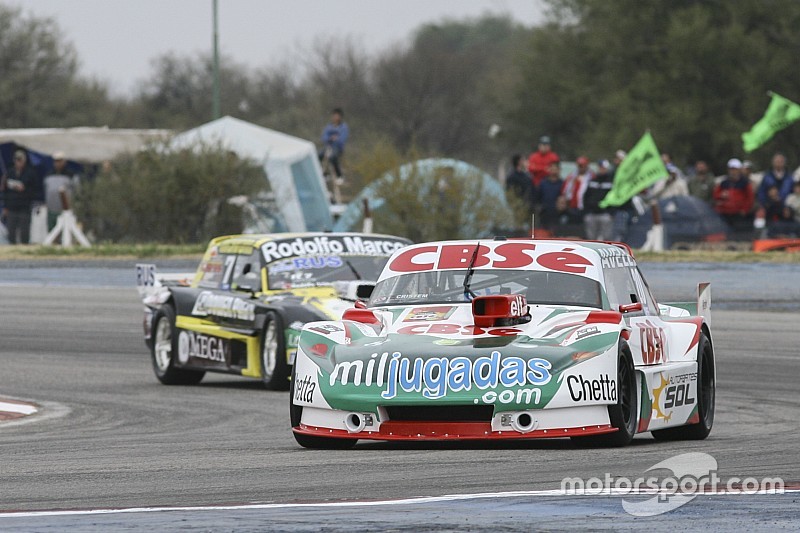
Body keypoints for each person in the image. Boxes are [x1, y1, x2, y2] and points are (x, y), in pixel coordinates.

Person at [1, 150, 38, 244]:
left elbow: (34, 189)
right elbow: (5, 191)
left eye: (20, 160)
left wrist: (24, 189)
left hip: (24, 207)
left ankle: (25, 248)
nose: (18, 162)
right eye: (17, 160)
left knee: (24, 232)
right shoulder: (9, 172)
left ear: (24, 160)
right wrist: (5, 207)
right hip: (11, 207)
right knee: (11, 232)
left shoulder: (30, 173)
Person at [713, 158, 754, 235]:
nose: (733, 171)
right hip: (725, 213)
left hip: (738, 214)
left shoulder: (745, 183)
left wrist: (744, 210)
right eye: (731, 169)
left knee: (738, 233)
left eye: (735, 169)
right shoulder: (724, 183)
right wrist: (721, 195)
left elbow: (750, 198)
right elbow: (715, 195)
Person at [582, 159, 615, 240]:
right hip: (592, 213)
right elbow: (586, 196)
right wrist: (587, 211)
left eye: (604, 168)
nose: (602, 169)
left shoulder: (611, 182)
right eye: (600, 167)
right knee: (590, 238)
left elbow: (614, 198)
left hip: (605, 214)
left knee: (606, 238)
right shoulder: (593, 181)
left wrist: (611, 212)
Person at [44, 151, 75, 231]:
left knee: (65, 232)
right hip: (51, 210)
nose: (57, 163)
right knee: (51, 230)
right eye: (56, 161)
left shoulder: (70, 175)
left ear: (64, 162)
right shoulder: (49, 174)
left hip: (64, 210)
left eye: (59, 161)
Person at [319, 108, 349, 179]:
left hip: (337, 148)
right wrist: (330, 138)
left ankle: (339, 175)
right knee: (319, 155)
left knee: (333, 157)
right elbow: (324, 137)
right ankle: (325, 174)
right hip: (328, 146)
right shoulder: (329, 127)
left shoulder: (343, 127)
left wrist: (336, 139)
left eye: (337, 116)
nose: (335, 117)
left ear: (340, 117)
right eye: (334, 116)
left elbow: (342, 139)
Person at [504, 154, 534, 220]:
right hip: (518, 208)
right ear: (519, 162)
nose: (526, 162)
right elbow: (510, 193)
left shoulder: (526, 176)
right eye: (523, 160)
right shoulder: (512, 176)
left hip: (529, 207)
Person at [538, 161, 563, 231]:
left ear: (559, 170)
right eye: (552, 169)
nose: (554, 171)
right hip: (544, 213)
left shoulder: (562, 183)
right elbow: (538, 197)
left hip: (558, 215)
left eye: (556, 169)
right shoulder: (543, 183)